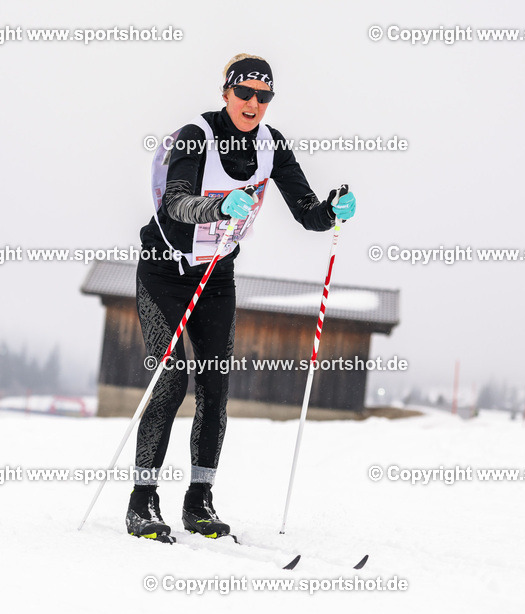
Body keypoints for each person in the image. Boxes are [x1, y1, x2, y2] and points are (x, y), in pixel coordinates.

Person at [126, 53, 356, 543]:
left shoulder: (272, 147)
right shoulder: (197, 135)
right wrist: (217, 206)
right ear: (226, 93)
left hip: (217, 274)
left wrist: (331, 210)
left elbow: (308, 214)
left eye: (263, 96)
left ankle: (198, 502)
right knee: (171, 380)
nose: (254, 103)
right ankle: (142, 500)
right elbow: (176, 201)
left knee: (214, 384)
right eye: (245, 93)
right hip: (165, 271)